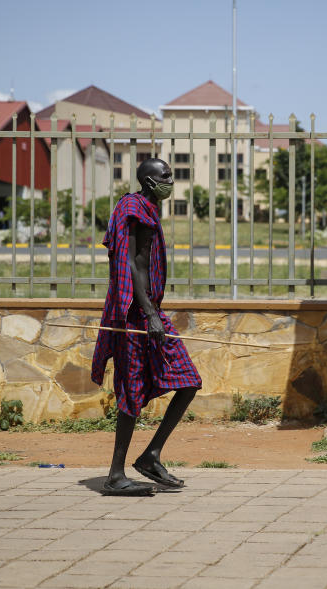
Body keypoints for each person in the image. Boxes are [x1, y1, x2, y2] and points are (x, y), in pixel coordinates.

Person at [91, 158, 201, 496]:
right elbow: (133, 264)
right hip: (134, 315)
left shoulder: (149, 209)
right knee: (131, 391)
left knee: (189, 381)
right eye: (165, 175)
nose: (171, 179)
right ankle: (114, 475)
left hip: (151, 311)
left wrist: (154, 312)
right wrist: (149, 313)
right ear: (149, 182)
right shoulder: (133, 208)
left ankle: (151, 455)